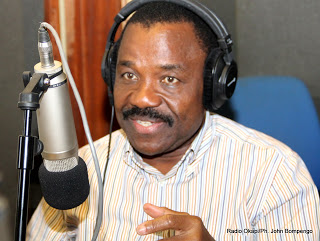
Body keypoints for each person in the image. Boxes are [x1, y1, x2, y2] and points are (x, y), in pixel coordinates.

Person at [27, 1, 320, 240]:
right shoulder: (79, 172)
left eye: (169, 78)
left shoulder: (274, 174)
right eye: (129, 75)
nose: (142, 98)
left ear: (212, 86)